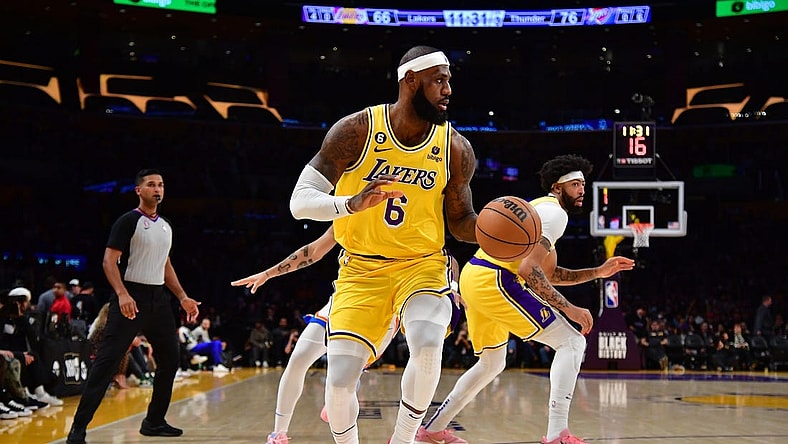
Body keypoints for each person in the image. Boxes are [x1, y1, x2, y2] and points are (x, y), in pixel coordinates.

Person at [288, 45, 478, 444]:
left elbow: (461, 222)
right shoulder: (356, 130)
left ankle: (405, 439)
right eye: (439, 80)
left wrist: (505, 238)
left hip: (422, 265)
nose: (448, 90)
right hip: (360, 270)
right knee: (339, 385)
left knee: (427, 346)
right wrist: (350, 203)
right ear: (411, 81)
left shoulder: (456, 148)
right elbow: (299, 201)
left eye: (449, 81)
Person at [416, 154, 635, 444]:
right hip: (495, 279)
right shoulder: (556, 214)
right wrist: (569, 308)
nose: (582, 189)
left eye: (583, 184)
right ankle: (557, 433)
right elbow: (528, 270)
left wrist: (597, 272)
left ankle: (432, 429)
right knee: (572, 341)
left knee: (492, 363)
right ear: (557, 187)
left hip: (475, 275)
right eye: (575, 184)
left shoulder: (539, 208)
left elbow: (547, 273)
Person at [66, 168, 201, 444]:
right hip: (130, 296)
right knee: (106, 363)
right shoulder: (128, 221)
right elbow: (108, 261)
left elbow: (165, 266)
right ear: (139, 190)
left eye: (161, 184)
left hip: (159, 300)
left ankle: (154, 422)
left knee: (170, 360)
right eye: (151, 185)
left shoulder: (166, 226)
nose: (158, 189)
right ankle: (78, 429)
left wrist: (182, 296)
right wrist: (122, 294)